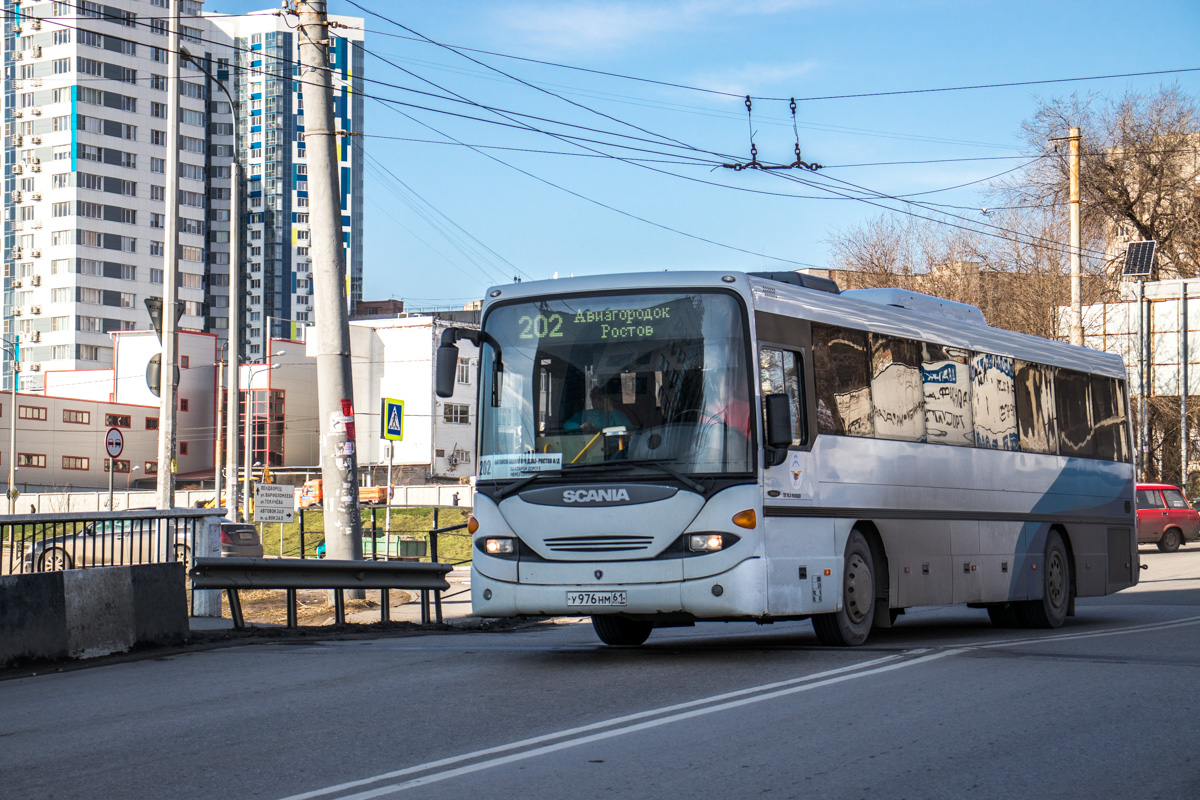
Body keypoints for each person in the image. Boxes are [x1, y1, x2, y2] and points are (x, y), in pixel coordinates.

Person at [565, 385, 632, 433]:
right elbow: (567, 425)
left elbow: (628, 429)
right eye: (594, 397)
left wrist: (610, 408)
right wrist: (581, 426)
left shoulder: (617, 414)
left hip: (614, 450)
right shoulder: (584, 414)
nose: (597, 400)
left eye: (600, 397)